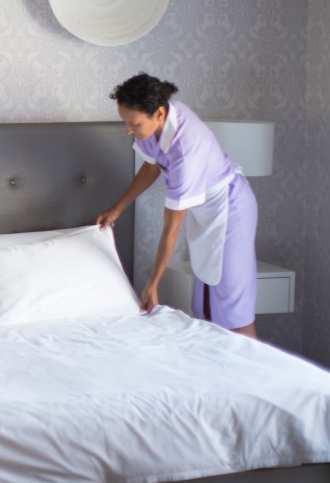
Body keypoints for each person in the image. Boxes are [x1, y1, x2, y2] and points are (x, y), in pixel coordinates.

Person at [96, 73, 259, 338]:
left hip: (231, 209)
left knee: (233, 311)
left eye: (133, 124)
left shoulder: (186, 149)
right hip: (206, 211)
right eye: (125, 122)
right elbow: (151, 167)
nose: (128, 130)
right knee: (207, 306)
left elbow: (171, 229)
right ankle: (219, 373)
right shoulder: (154, 122)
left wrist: (152, 283)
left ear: (158, 114)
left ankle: (253, 377)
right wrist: (118, 208)